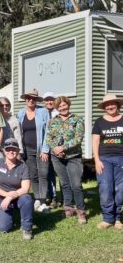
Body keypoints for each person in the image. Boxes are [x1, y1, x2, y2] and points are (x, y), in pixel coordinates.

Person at [45, 96, 86, 224]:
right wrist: (55, 149)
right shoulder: (53, 121)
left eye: (64, 105)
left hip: (73, 157)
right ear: (57, 108)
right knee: (64, 184)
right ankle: (68, 208)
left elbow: (78, 138)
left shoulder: (77, 119)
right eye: (60, 106)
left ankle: (81, 211)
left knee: (76, 184)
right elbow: (48, 138)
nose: (63, 108)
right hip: (57, 158)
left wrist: (63, 147)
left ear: (68, 105)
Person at [0, 138, 33, 240]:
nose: (11, 151)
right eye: (8, 149)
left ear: (18, 151)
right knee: (4, 227)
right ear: (3, 151)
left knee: (27, 199)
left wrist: (10, 197)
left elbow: (25, 188)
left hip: (18, 197)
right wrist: (6, 195)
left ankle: (27, 227)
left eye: (14, 149)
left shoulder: (23, 166)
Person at [92, 94, 123, 229]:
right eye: (107, 104)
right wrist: (97, 160)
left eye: (113, 103)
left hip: (121, 158)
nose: (110, 106)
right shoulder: (99, 122)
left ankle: (118, 218)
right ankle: (107, 218)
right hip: (104, 159)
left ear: (117, 104)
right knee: (106, 188)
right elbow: (95, 142)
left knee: (121, 189)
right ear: (104, 107)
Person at [17, 88, 50, 214]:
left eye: (34, 98)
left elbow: (48, 131)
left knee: (43, 174)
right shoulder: (20, 113)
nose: (31, 100)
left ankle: (43, 201)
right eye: (29, 98)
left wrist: (45, 149)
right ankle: (37, 198)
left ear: (36, 100)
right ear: (25, 99)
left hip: (41, 149)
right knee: (33, 175)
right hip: (27, 150)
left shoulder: (43, 112)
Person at [42, 91, 59, 208]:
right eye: (47, 100)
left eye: (51, 99)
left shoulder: (57, 113)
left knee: (57, 174)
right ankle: (49, 196)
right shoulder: (41, 113)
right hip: (44, 148)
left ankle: (57, 197)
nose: (49, 102)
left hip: (55, 148)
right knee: (47, 173)